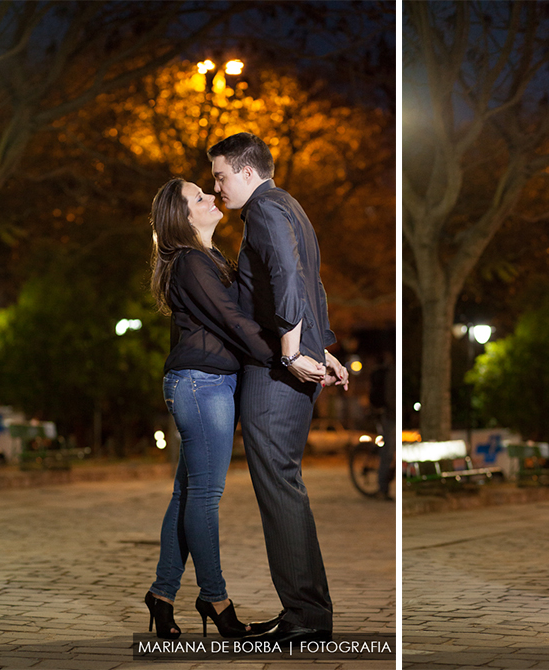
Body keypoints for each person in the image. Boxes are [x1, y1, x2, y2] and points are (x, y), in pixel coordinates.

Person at [208, 132, 349, 644]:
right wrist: (323, 346)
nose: (216, 186)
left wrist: (292, 352)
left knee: (279, 487)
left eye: (221, 176)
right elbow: (314, 284)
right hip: (289, 362)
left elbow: (291, 280)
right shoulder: (289, 206)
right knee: (282, 485)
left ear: (247, 172)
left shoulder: (265, 210)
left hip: (275, 372)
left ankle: (307, 619)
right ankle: (305, 613)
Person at [145, 178, 278, 639]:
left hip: (200, 384)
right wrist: (288, 359)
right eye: (198, 197)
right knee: (205, 497)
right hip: (203, 386)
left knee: (187, 494)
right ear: (182, 216)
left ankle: (162, 596)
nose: (210, 198)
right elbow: (235, 322)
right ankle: (215, 598)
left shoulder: (208, 259)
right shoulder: (192, 263)